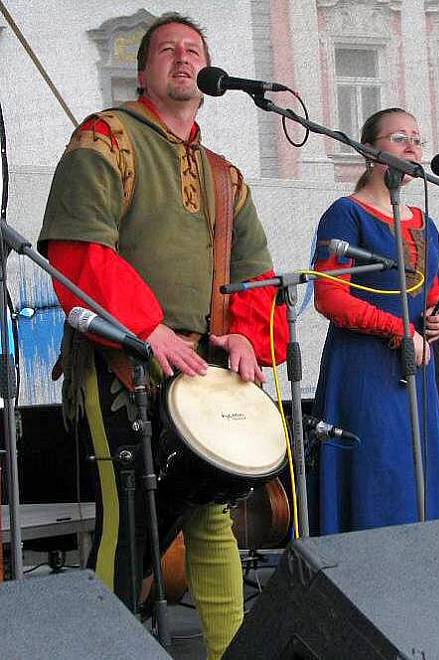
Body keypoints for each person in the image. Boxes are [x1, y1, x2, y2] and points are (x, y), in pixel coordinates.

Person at [37, 14, 287, 659]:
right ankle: (107, 650)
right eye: (168, 50)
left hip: (203, 369)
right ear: (144, 71)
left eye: (194, 51)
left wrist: (244, 339)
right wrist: (145, 330)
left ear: (206, 76)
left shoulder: (227, 174)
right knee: (130, 517)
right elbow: (78, 246)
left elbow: (255, 273)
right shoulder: (106, 138)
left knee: (212, 520)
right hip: (126, 360)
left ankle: (231, 651)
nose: (183, 58)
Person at [311, 107, 439, 534]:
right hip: (365, 367)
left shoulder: (424, 223)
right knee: (377, 471)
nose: (413, 147)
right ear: (369, 151)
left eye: (417, 138)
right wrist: (399, 331)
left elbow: (431, 291)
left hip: (415, 368)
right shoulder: (347, 214)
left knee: (419, 471)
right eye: (399, 138)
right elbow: (330, 297)